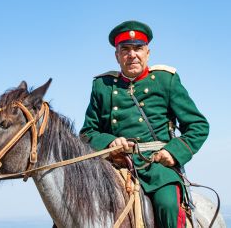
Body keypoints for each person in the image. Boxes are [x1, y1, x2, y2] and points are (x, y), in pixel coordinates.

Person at [80, 20, 209, 228]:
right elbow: (87, 133)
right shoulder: (102, 86)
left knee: (168, 205)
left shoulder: (165, 80)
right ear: (117, 56)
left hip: (157, 166)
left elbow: (198, 125)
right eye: (125, 49)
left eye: (138, 48)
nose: (132, 55)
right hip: (115, 167)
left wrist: (174, 153)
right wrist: (110, 143)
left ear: (147, 52)